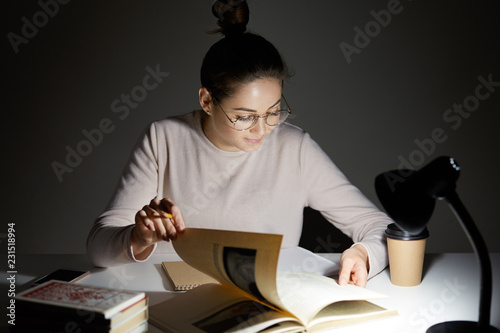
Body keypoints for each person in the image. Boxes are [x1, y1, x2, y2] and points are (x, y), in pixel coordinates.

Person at [87, 0, 393, 288]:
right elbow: (99, 248)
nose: (262, 129)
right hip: (176, 299)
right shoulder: (164, 138)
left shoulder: (294, 146)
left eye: (273, 112)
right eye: (244, 117)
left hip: (268, 305)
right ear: (207, 101)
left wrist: (363, 254)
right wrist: (139, 237)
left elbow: (380, 226)